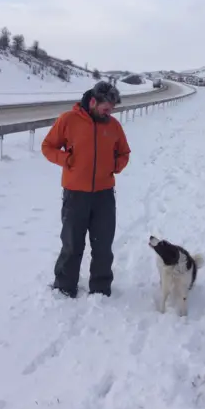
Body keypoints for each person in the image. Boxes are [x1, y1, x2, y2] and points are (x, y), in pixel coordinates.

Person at [41, 81, 131, 298]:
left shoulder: (113, 126)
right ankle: (64, 286)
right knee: (72, 243)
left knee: (103, 245)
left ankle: (100, 288)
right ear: (93, 101)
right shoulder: (68, 120)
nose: (109, 113)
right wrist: (66, 159)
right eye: (106, 108)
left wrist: (114, 166)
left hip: (104, 195)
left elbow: (124, 153)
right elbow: (47, 147)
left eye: (112, 109)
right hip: (75, 194)